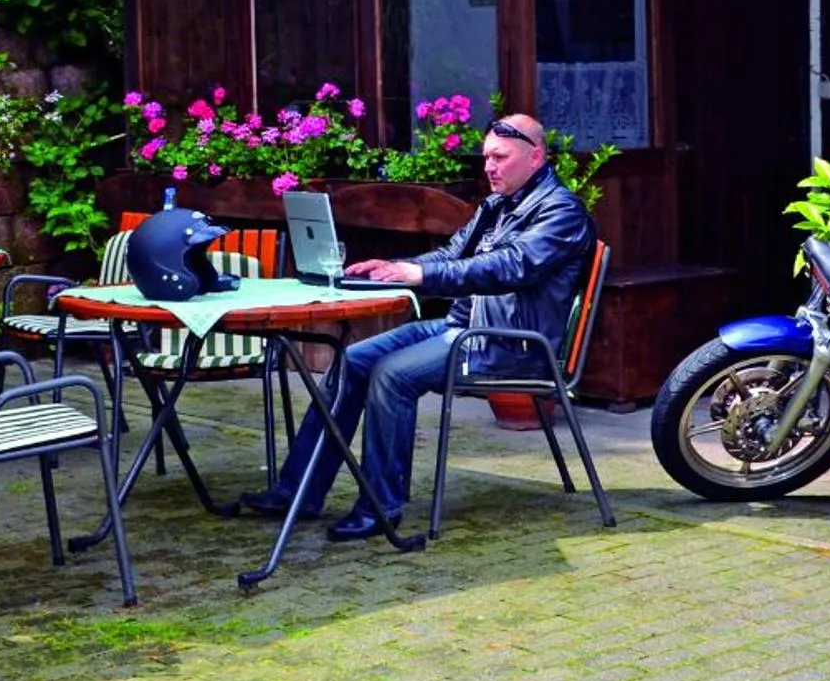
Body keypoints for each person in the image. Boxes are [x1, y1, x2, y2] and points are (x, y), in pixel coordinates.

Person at [242, 113, 597, 540]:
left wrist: (420, 276)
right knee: (352, 360)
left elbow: (511, 265)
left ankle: (380, 508)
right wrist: (396, 267)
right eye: (486, 157)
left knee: (393, 376)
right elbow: (451, 254)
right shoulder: (499, 204)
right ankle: (298, 492)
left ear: (535, 157)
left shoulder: (561, 212)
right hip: (464, 327)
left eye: (500, 157)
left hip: (510, 347)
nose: (489, 167)